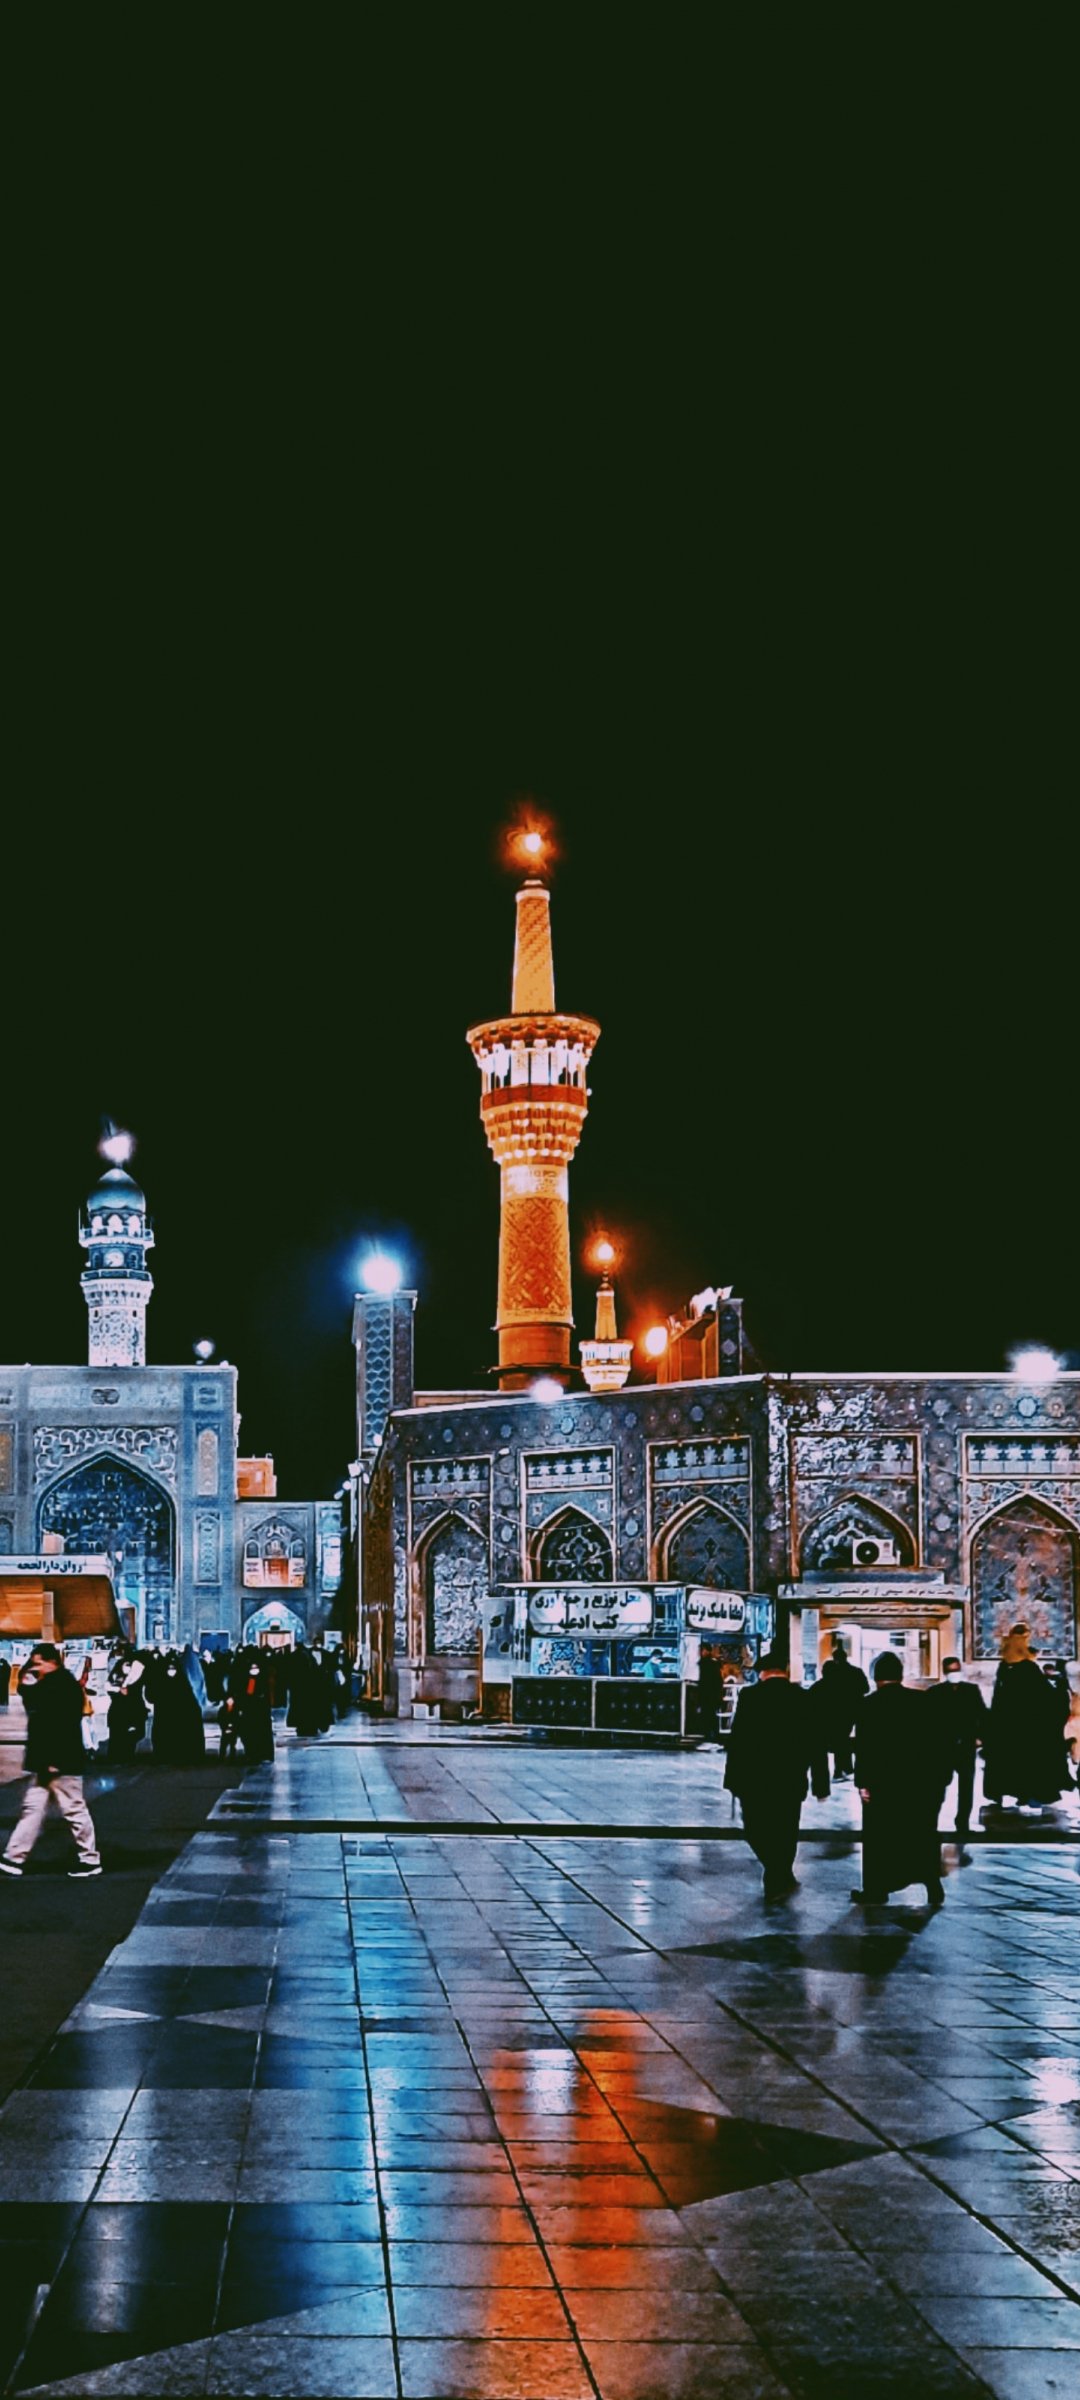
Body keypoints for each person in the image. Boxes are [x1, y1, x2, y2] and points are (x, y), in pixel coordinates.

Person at [724, 1647, 831, 1901]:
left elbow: (738, 1740)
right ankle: (780, 1873)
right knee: (786, 1829)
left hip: (754, 1777)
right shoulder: (803, 1698)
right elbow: (816, 1743)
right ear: (785, 1670)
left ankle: (775, 1875)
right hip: (790, 1777)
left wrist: (732, 1779)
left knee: (754, 1828)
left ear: (762, 1673)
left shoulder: (750, 1697)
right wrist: (820, 1783)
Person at [0, 1642, 102, 1879]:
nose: (36, 1668)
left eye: (39, 1664)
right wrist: (28, 1672)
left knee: (73, 1809)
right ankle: (14, 1857)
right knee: (33, 1808)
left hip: (60, 1761)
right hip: (49, 1760)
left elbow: (60, 1725)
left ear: (51, 1662)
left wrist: (53, 1760)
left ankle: (89, 1859)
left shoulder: (61, 1686)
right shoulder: (54, 1683)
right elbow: (29, 1696)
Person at [852, 1651, 945, 1907]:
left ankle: (876, 1888)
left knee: (879, 1836)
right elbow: (938, 1741)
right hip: (920, 1781)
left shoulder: (868, 1705)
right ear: (900, 1675)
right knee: (921, 1832)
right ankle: (931, 1882)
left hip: (883, 1782)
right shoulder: (923, 1701)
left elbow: (865, 1748)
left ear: (875, 1677)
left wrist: (863, 1783)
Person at [983, 1625, 1063, 1817]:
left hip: (1006, 1726)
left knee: (1011, 1762)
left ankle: (1012, 1794)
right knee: (1031, 1763)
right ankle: (1031, 1797)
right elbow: (1044, 1698)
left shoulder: (1004, 1667)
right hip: (1030, 1727)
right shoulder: (1028, 1668)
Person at [928, 1655, 988, 1858]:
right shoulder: (935, 1692)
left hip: (965, 1744)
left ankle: (962, 1821)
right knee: (938, 1786)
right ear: (945, 1672)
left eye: (956, 1669)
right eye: (951, 1670)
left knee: (966, 1787)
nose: (954, 1673)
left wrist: (980, 1737)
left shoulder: (971, 1690)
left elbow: (981, 1714)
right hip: (942, 1746)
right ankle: (932, 1820)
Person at [148, 1653, 206, 1763]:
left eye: (173, 1668)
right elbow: (151, 1696)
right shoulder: (160, 1682)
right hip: (164, 1717)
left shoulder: (182, 1683)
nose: (171, 1671)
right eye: (169, 1668)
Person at [106, 1643, 148, 1762]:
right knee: (125, 1734)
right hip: (128, 1707)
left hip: (124, 1708)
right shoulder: (134, 1668)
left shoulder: (122, 1667)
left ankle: (120, 1757)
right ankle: (122, 1757)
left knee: (122, 1734)